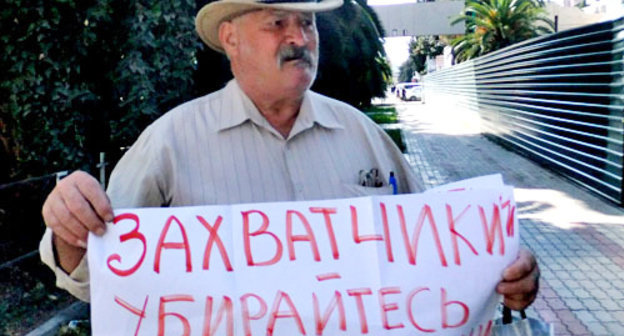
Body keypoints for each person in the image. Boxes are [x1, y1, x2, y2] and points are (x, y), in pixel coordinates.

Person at [40, 0, 539, 311]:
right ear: (231, 39)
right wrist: (70, 229)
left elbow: (438, 258)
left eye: (306, 24)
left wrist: (504, 273)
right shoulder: (168, 143)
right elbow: (92, 282)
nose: (299, 38)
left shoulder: (364, 136)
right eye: (278, 22)